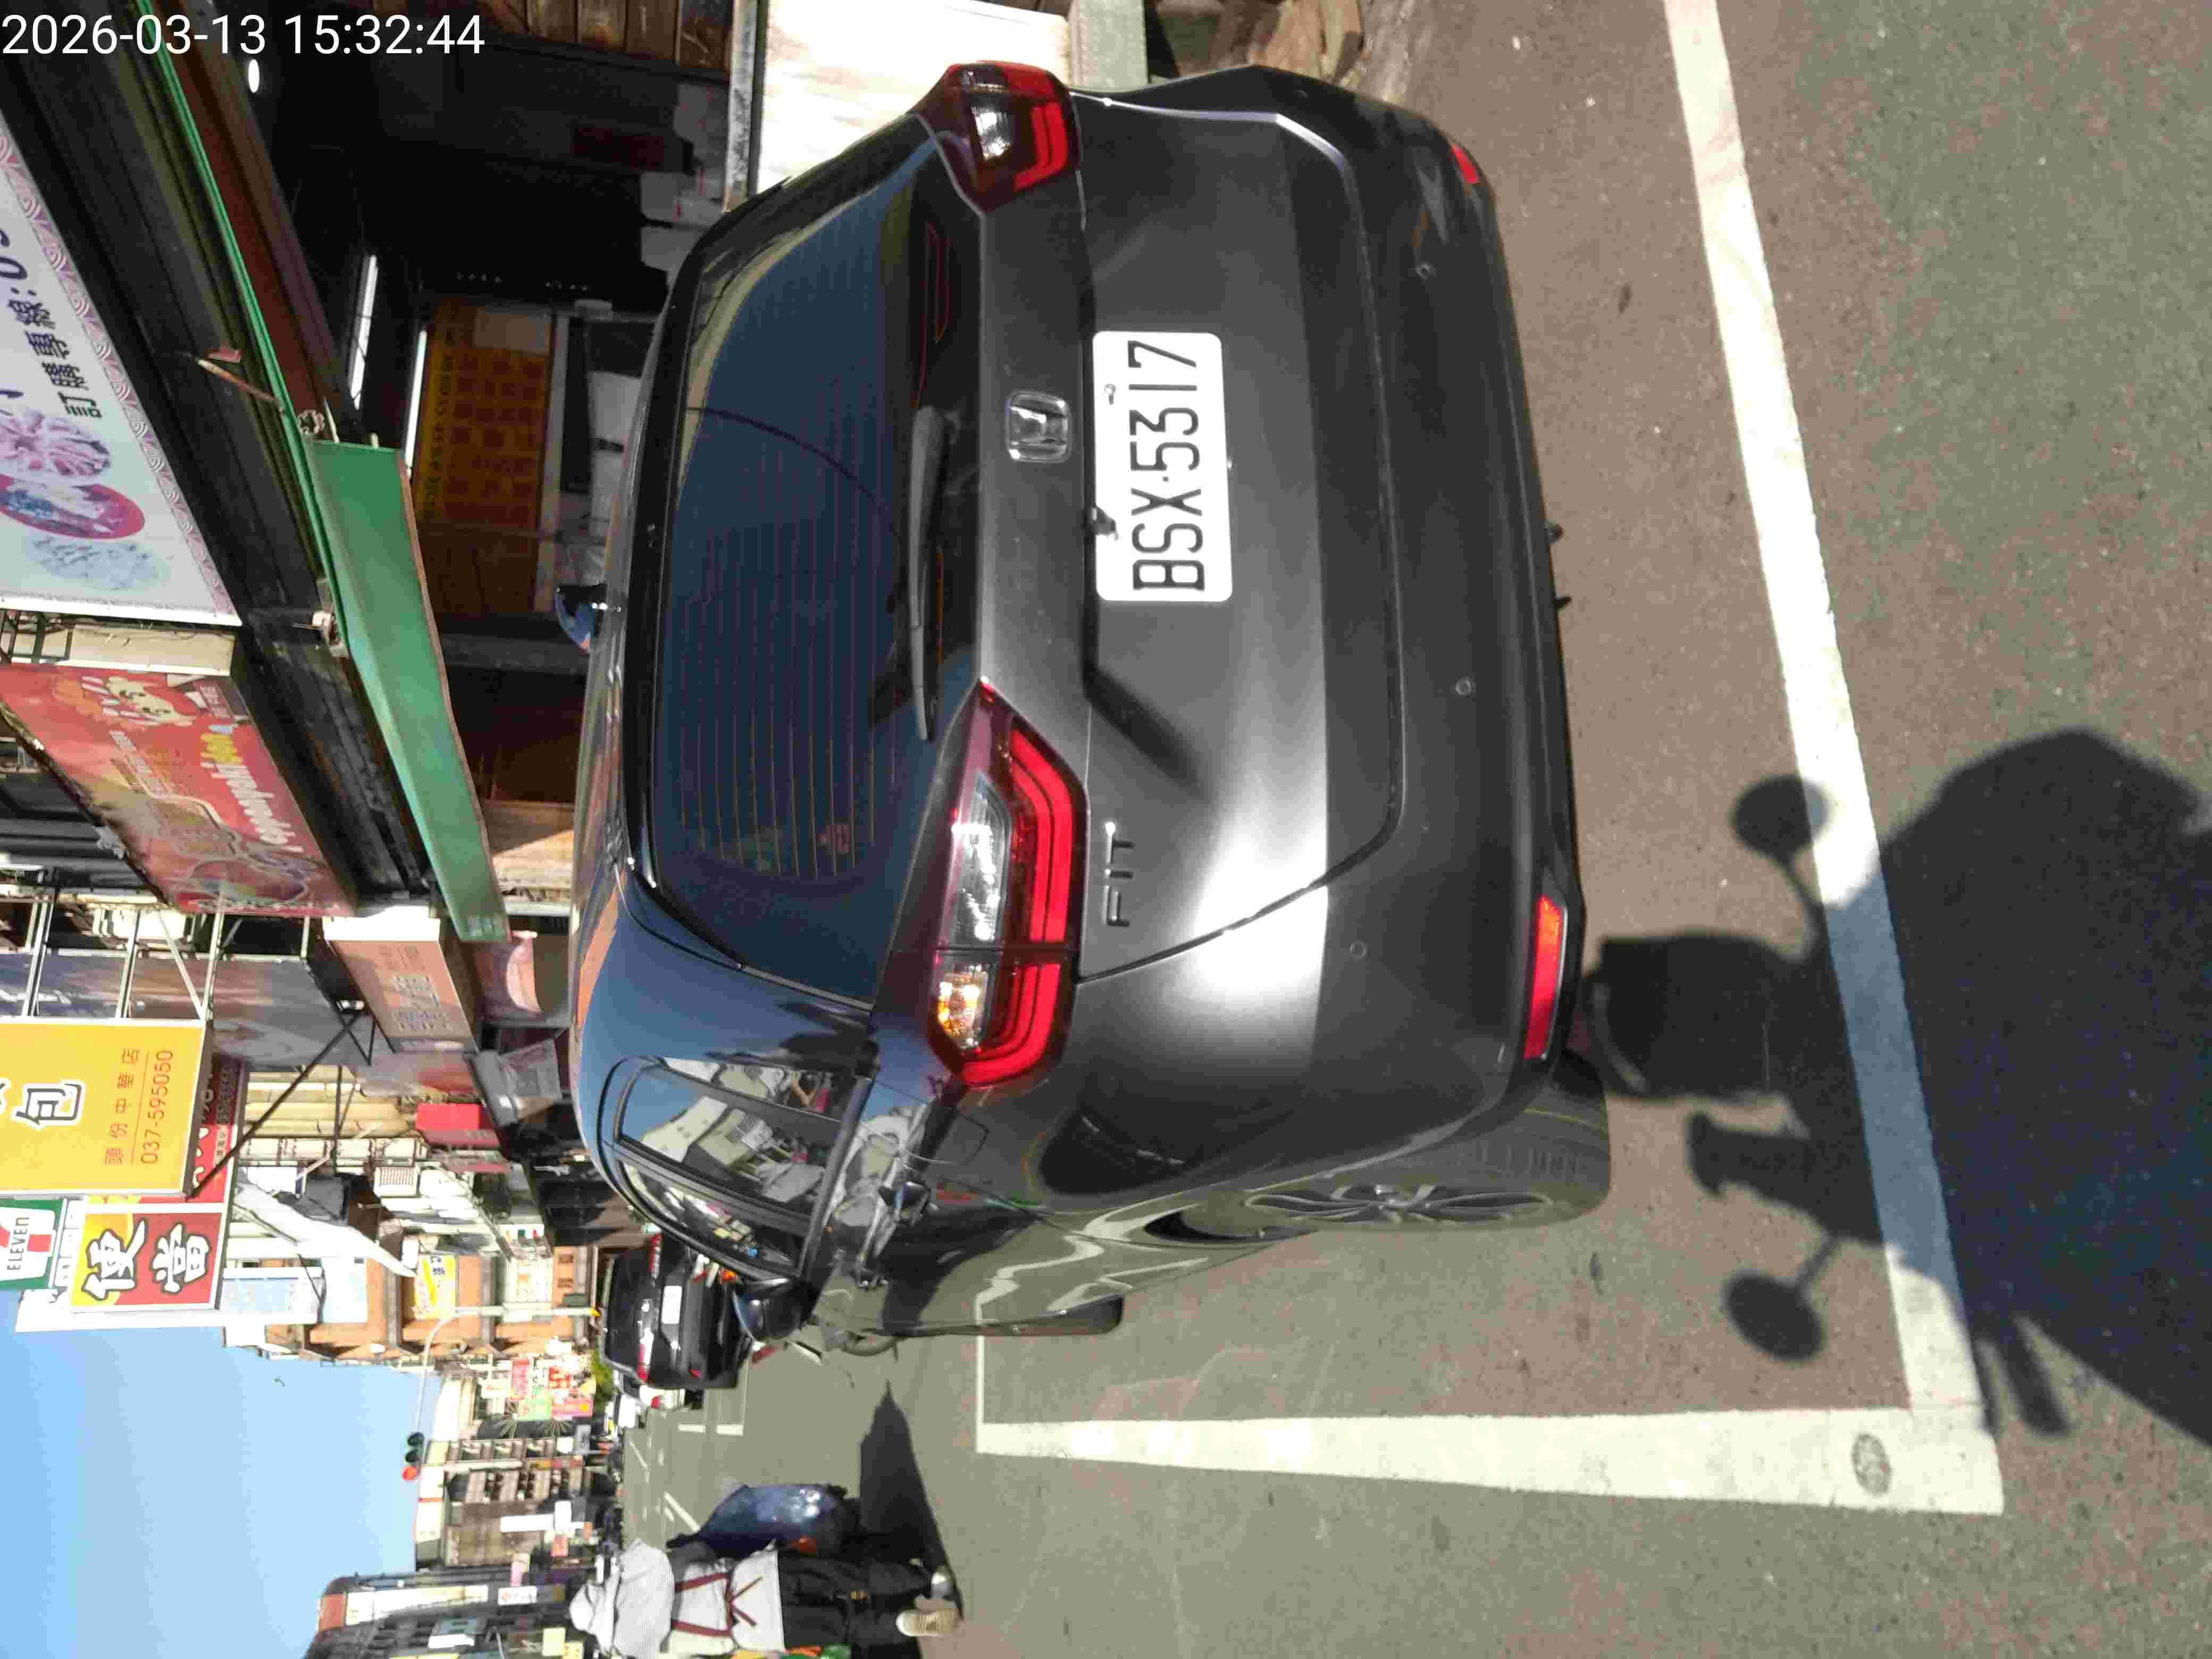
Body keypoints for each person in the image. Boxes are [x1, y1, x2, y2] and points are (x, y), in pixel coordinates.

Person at [572, 1538, 959, 1655]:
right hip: (759, 1578)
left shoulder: (652, 1649)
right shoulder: (657, 1570)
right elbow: (703, 1551)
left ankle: (903, 1624)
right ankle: (930, 1582)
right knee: (849, 1576)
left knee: (849, 1628)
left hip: (761, 1631)